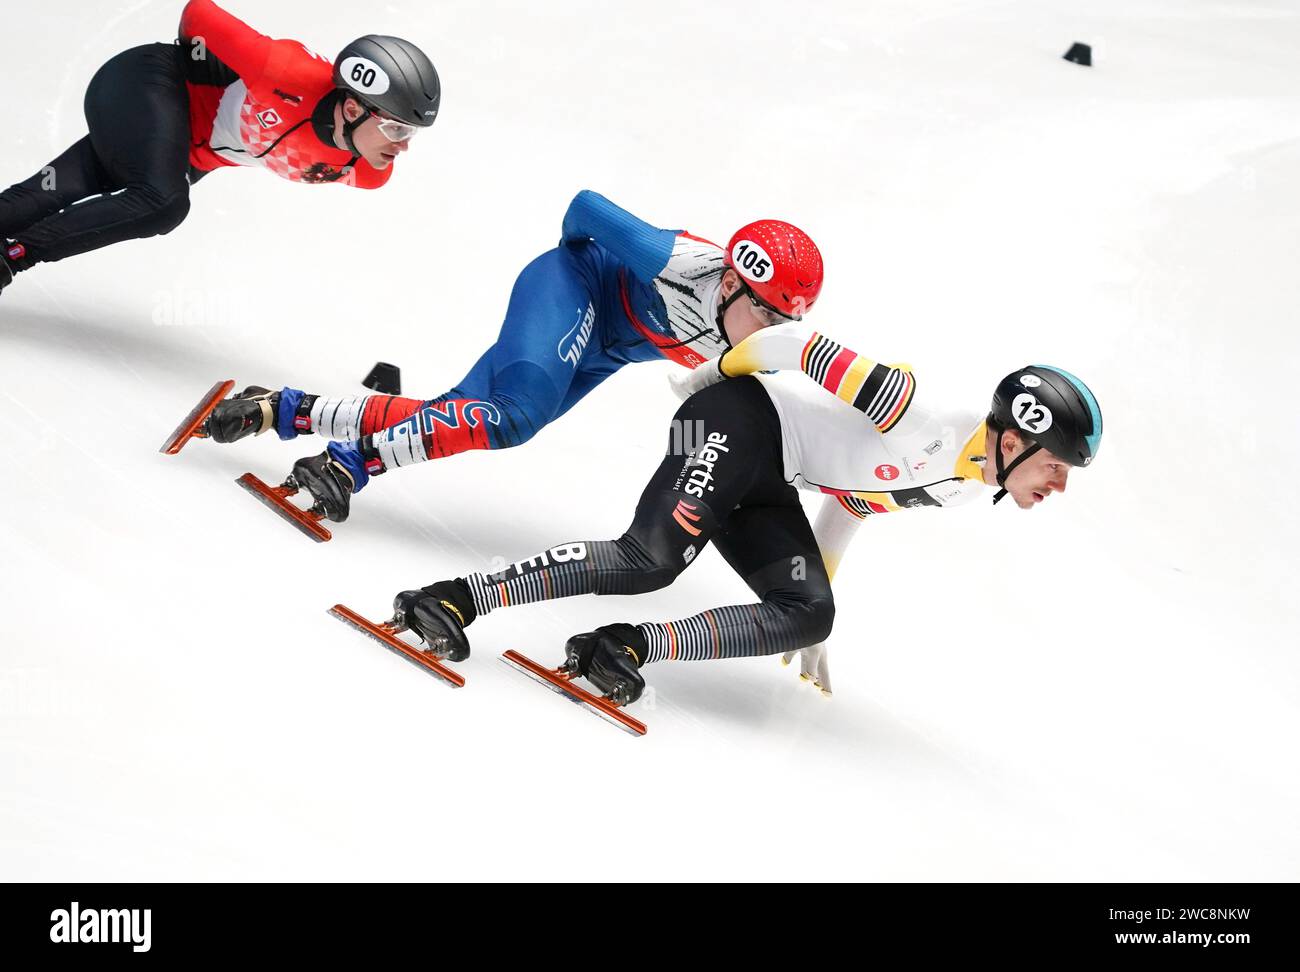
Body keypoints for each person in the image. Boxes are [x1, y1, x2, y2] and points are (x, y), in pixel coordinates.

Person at [366, 322, 1102, 704]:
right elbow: (793, 343)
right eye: (1055, 466)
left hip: (769, 474)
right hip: (728, 417)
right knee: (649, 558)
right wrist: (708, 377)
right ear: (1013, 436)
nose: (1057, 486)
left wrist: (813, 593)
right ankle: (453, 599)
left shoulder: (968, 482)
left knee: (813, 611)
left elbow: (852, 505)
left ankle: (619, 647)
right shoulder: (911, 412)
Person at [191, 189, 825, 526]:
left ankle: (286, 409)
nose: (767, 331)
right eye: (765, 312)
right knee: (512, 417)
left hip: (606, 350)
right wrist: (576, 278)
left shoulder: (760, 343)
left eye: (784, 320)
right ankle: (349, 465)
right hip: (574, 286)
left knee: (456, 417)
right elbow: (583, 209)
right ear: (734, 282)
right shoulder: (680, 260)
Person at [0, 0, 439, 295]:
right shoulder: (285, 72)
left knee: (46, 195)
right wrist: (200, 75)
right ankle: (13, 257)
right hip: (148, 83)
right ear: (350, 107)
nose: (402, 148)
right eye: (396, 130)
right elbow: (199, 14)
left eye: (410, 134)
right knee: (162, 202)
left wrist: (169, 147)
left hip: (177, 148)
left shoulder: (369, 171)